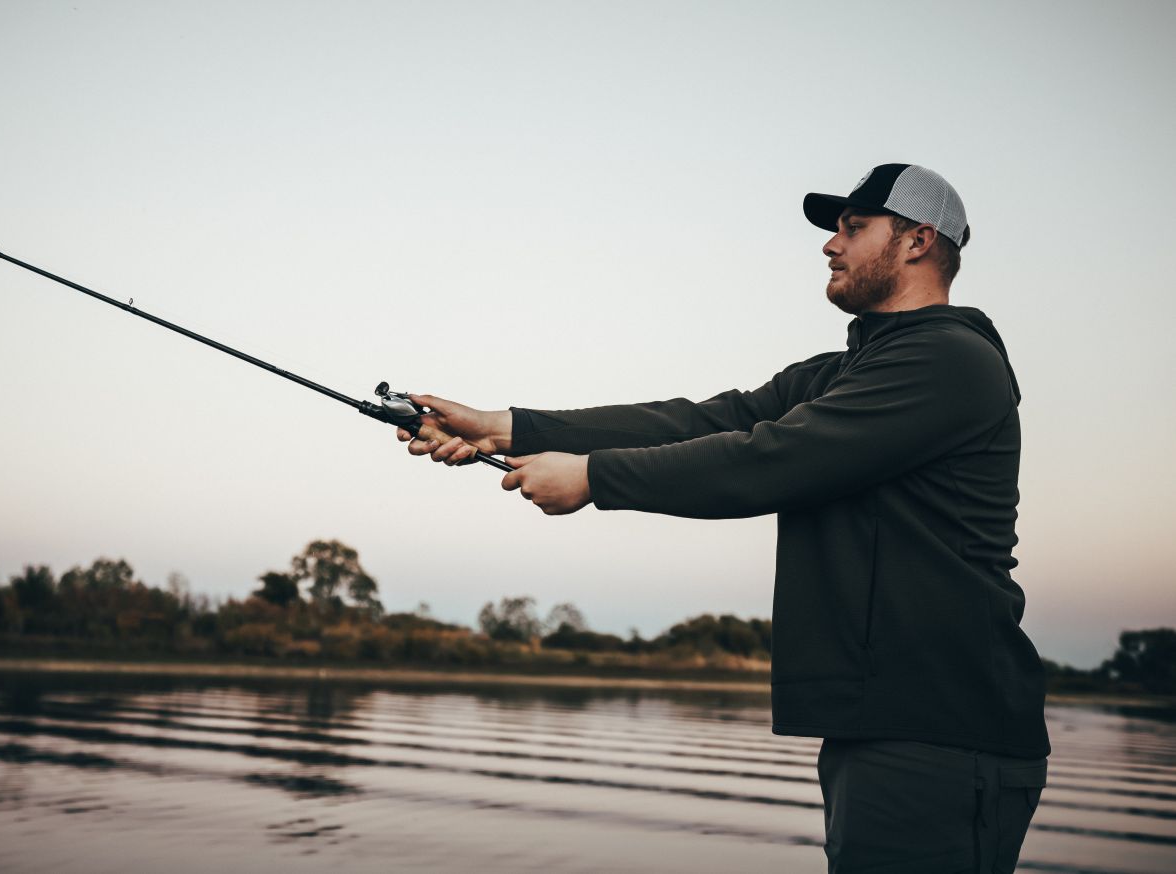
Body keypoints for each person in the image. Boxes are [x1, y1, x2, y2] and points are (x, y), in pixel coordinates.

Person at [397, 164, 1050, 873]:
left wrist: (592, 478)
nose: (831, 246)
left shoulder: (949, 360)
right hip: (886, 727)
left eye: (853, 228)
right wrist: (505, 428)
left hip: (946, 730)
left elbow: (770, 458)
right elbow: (700, 420)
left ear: (919, 240)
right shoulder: (842, 372)